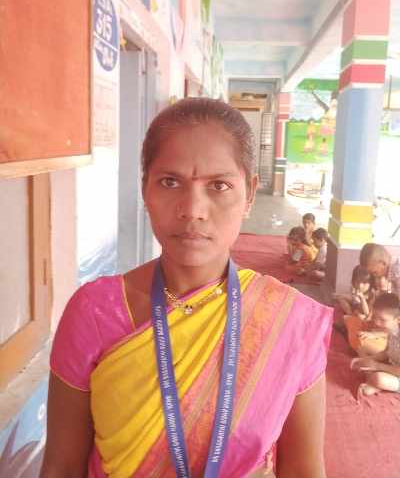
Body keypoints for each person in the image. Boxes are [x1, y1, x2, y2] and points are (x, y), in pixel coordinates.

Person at [40, 98, 333, 478]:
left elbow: (304, 469)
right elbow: (61, 465)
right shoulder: (94, 312)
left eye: (219, 185)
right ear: (145, 189)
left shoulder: (290, 321)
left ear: (249, 194)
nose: (192, 209)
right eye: (170, 182)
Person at [351, 292, 400, 396]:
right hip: (392, 363)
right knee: (362, 349)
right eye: (375, 317)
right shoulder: (392, 331)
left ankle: (374, 383)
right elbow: (386, 352)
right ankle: (371, 378)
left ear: (398, 320)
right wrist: (367, 359)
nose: (377, 322)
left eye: (382, 320)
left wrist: (377, 365)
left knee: (379, 378)